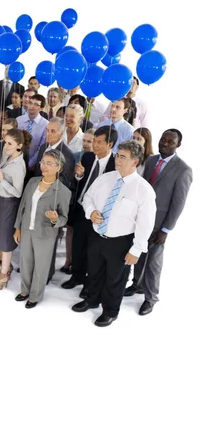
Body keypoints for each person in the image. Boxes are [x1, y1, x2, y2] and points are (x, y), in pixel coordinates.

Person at [72, 140, 156, 327]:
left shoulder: (143, 190)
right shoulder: (105, 178)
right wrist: (91, 211)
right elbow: (88, 198)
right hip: (97, 236)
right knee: (93, 272)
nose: (118, 159)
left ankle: (110, 311)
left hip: (121, 242)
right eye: (118, 155)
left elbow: (146, 223)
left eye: (123, 157)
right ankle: (92, 299)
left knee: (115, 279)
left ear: (135, 161)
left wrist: (136, 250)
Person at [124, 129, 193, 315]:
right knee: (138, 252)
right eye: (163, 139)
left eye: (170, 142)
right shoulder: (152, 160)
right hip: (141, 218)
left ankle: (151, 297)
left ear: (178, 145)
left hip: (159, 223)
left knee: (153, 263)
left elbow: (178, 203)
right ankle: (136, 285)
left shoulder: (183, 170)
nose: (165, 143)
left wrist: (166, 229)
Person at [61, 126, 117, 293]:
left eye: (100, 142)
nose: (95, 145)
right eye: (94, 141)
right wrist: (79, 175)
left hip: (99, 214)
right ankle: (76, 275)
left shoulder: (116, 165)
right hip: (81, 208)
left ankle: (89, 284)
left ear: (110, 144)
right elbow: (79, 181)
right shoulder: (87, 157)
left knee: (93, 251)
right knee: (77, 245)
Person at [13, 149, 71, 308]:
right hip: (26, 229)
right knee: (25, 261)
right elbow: (22, 207)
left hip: (45, 233)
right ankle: (24, 290)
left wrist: (55, 219)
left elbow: (64, 218)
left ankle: (35, 295)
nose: (44, 166)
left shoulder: (63, 191)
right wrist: (17, 228)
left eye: (49, 163)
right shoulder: (32, 182)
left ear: (58, 168)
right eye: (43, 162)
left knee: (41, 265)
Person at [0, 129, 31, 290]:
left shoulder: (19, 165)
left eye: (9, 143)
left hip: (11, 204)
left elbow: (18, 192)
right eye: (5, 141)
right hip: (3, 200)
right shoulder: (8, 157)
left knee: (6, 240)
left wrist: (1, 180)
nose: (5, 146)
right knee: (2, 238)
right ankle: (7, 268)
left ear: (19, 146)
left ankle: (4, 273)